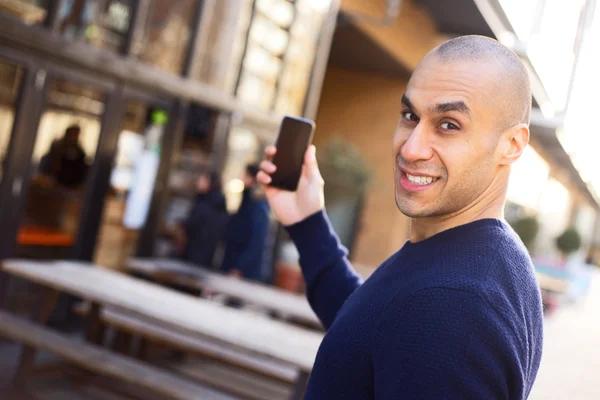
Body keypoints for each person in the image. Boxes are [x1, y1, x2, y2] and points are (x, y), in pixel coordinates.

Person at [257, 35, 543, 399]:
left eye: (449, 124)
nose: (411, 148)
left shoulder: (453, 304)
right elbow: (370, 332)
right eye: (410, 116)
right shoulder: (482, 255)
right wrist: (307, 220)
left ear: (512, 145)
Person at [221, 164, 271, 282]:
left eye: (246, 175)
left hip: (243, 273)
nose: (242, 178)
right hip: (232, 263)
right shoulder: (247, 200)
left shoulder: (257, 206)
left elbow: (256, 241)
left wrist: (239, 267)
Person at [175, 171, 228, 268]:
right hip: (206, 255)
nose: (199, 182)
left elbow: (192, 225)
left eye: (203, 180)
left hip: (194, 252)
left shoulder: (204, 203)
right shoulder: (219, 204)